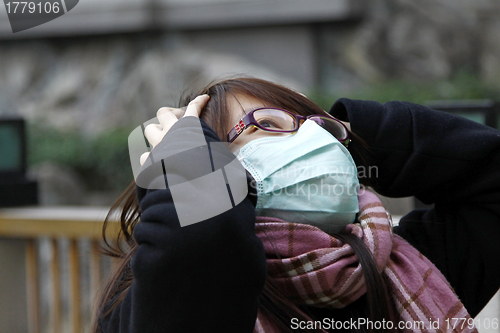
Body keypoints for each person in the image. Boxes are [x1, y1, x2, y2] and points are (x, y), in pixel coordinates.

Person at [92, 77, 500, 333]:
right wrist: (184, 161)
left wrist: (349, 134)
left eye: (321, 132)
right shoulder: (152, 298)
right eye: (268, 124)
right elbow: (204, 245)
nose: (313, 141)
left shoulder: (406, 268)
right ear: (211, 164)